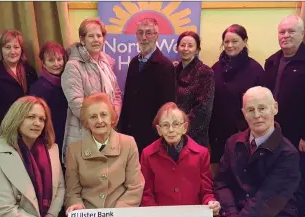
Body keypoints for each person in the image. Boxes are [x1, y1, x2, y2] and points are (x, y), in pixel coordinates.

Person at [212, 86, 300, 217]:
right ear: (243, 112)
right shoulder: (232, 143)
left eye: (262, 108)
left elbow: (266, 202)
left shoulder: (288, 154)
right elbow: (221, 183)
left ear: (274, 107)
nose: (257, 115)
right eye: (251, 110)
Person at [263, 15, 305, 217]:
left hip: (299, 138)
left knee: (296, 185)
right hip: (272, 137)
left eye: (291, 31)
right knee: (272, 182)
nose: (286, 36)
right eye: (282, 32)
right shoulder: (271, 61)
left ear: (301, 34)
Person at [64, 93, 144, 212]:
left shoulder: (128, 143)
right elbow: (72, 192)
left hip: (120, 215)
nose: (99, 120)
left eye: (103, 115)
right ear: (86, 122)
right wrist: (77, 206)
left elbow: (135, 186)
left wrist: (116, 214)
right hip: (88, 216)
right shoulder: (74, 150)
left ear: (112, 118)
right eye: (93, 117)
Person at [140, 102, 220, 215]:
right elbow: (146, 194)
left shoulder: (202, 154)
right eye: (166, 125)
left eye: (176, 124)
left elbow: (207, 192)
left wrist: (210, 203)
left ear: (184, 127)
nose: (171, 130)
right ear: (159, 130)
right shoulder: (147, 154)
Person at [61, 18, 122, 161]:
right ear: (82, 39)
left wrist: (113, 117)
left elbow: (117, 94)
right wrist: (100, 122)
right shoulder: (73, 66)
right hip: (84, 133)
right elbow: (76, 103)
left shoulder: (107, 63)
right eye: (91, 36)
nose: (96, 40)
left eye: (99, 36)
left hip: (108, 130)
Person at [0, 30, 38, 160]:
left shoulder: (30, 71)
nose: (12, 51)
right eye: (7, 47)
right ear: (0, 50)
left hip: (27, 135)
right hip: (0, 135)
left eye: (16, 47)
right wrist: (9, 130)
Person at [209, 24, 265, 165]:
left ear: (245, 41)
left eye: (235, 41)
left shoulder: (255, 70)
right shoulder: (216, 68)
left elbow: (261, 104)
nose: (229, 45)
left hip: (244, 133)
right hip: (217, 133)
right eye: (226, 42)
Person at [119, 17, 175, 155]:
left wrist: (161, 132)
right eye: (140, 33)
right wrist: (122, 127)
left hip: (152, 134)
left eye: (149, 33)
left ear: (157, 36)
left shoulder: (165, 66)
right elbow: (128, 98)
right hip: (131, 133)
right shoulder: (133, 63)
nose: (144, 37)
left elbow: (167, 105)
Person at [29, 41, 68, 163]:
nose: (57, 64)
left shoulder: (68, 81)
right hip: (49, 138)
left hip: (67, 134)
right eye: (51, 60)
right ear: (43, 63)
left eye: (59, 59)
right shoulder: (38, 87)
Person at [174, 31, 214, 147]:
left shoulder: (205, 72)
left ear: (197, 50)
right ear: (177, 48)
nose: (186, 49)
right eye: (182, 45)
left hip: (194, 136)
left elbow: (204, 109)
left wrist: (182, 129)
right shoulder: (173, 71)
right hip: (172, 133)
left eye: (190, 46)